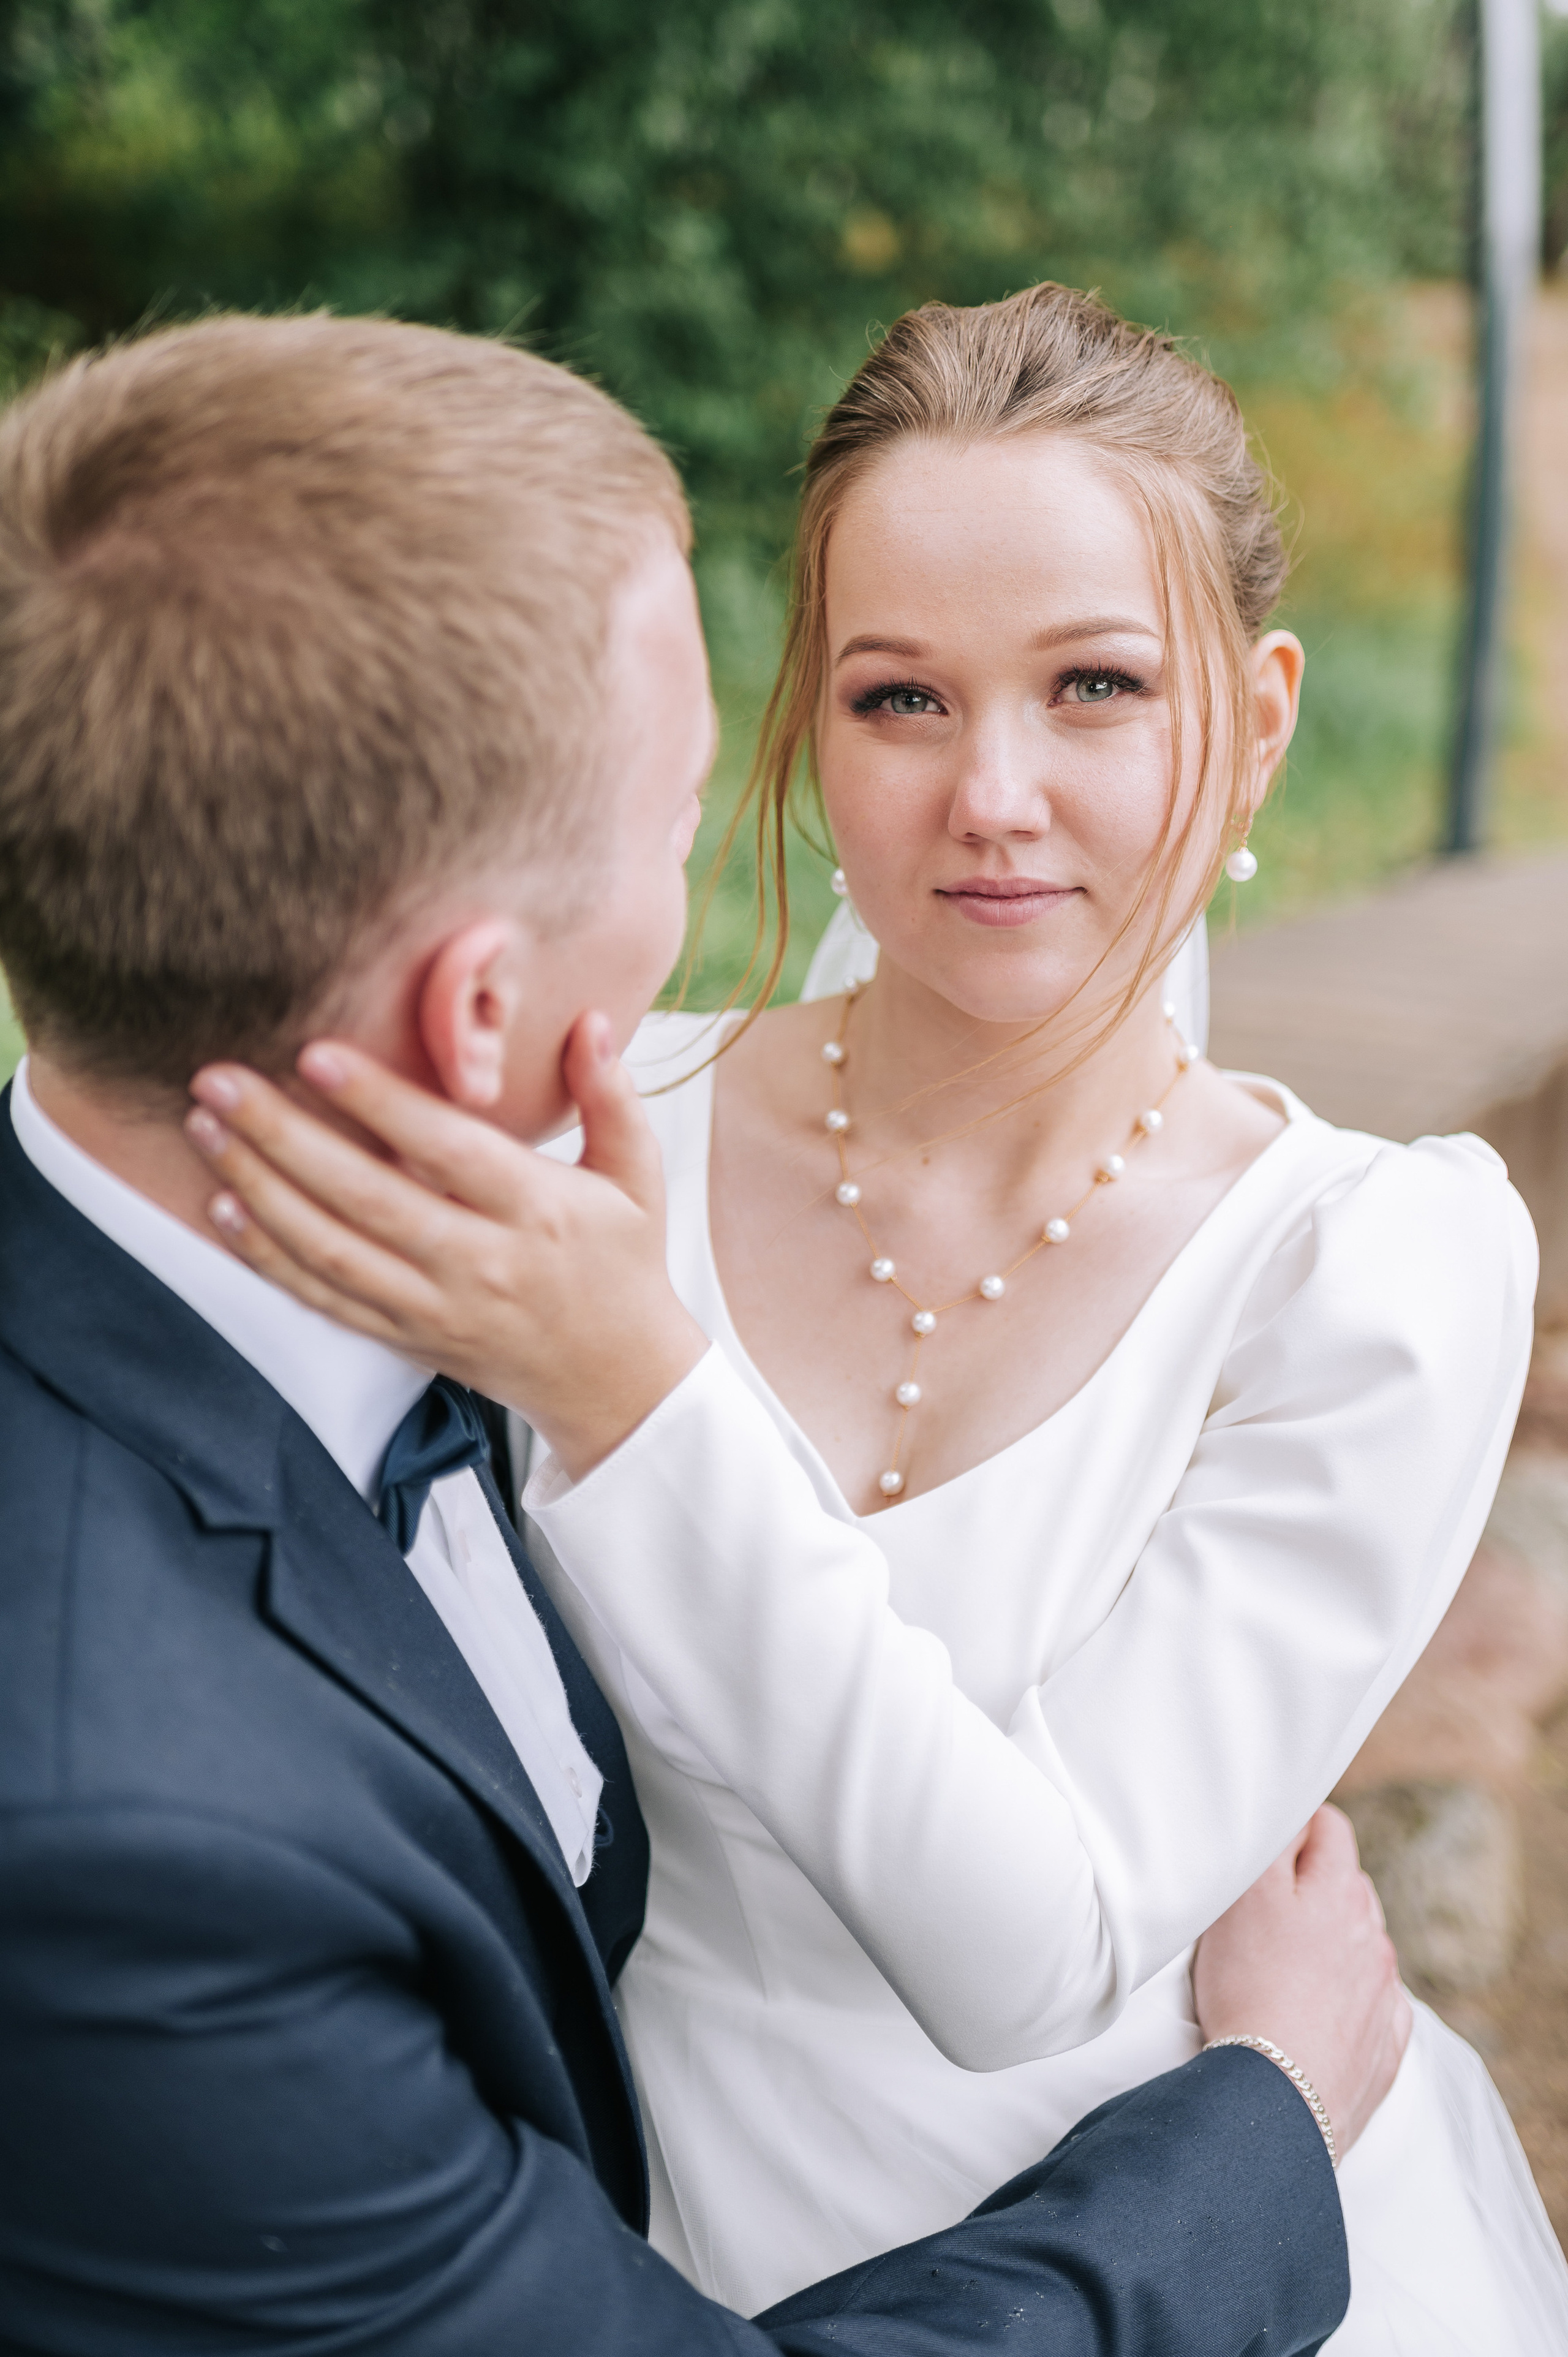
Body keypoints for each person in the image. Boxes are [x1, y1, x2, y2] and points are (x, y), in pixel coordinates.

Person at [0, 310, 1402, 2357]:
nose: (975, 803)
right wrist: (1263, 2134)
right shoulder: (134, 1851)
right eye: (675, 833)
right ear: (478, 1019)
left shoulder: (406, 1259)